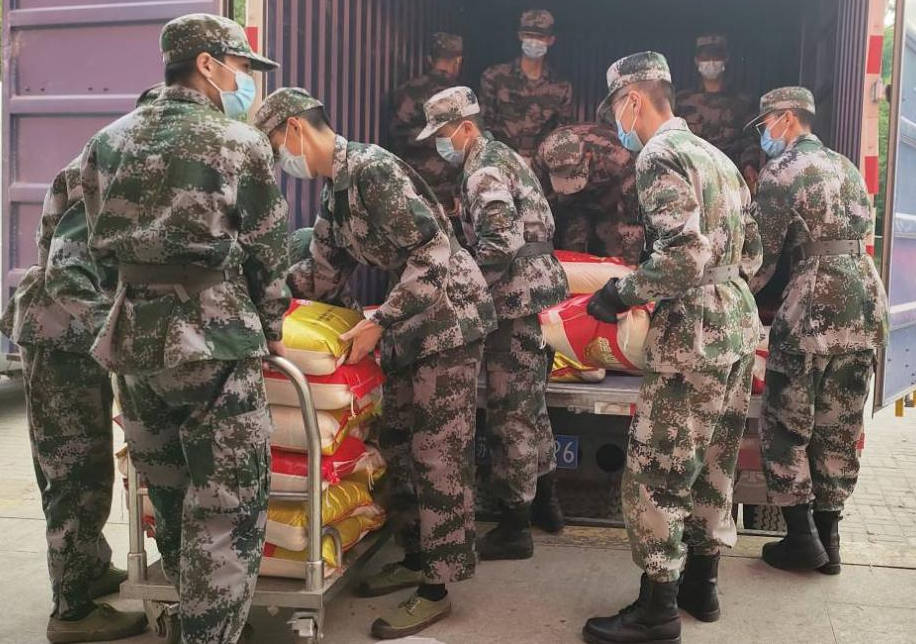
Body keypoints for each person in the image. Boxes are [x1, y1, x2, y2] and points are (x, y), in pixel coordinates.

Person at [74, 13, 289, 644]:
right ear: (207, 63)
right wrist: (271, 326)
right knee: (228, 508)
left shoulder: (106, 142)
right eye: (242, 67)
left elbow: (94, 246)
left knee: (169, 496)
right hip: (214, 338)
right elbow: (267, 250)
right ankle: (210, 630)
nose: (245, 80)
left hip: (135, 341)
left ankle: (191, 621)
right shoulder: (238, 141)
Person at [253, 87, 497, 639]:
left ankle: (437, 587)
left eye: (274, 144)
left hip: (450, 319)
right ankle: (415, 556)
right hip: (409, 324)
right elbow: (320, 273)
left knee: (437, 454)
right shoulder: (335, 193)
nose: (278, 157)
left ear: (295, 128)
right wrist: (263, 298)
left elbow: (433, 254)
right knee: (399, 444)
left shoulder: (373, 172)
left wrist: (378, 321)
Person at [582, 52, 762, 644]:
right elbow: (754, 252)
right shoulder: (717, 157)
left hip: (692, 334)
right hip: (735, 325)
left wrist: (622, 292)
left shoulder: (660, 155)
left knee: (659, 469)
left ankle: (656, 610)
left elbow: (682, 256)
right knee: (714, 460)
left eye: (615, 108)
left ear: (633, 99)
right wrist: (723, 287)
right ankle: (701, 587)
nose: (616, 122)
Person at [0, 83, 164, 644]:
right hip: (60, 334)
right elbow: (67, 272)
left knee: (87, 467)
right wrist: (118, 338)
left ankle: (88, 569)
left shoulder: (114, 160)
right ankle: (72, 612)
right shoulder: (112, 166)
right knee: (75, 472)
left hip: (71, 334)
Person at [418, 86, 569, 559]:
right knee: (531, 403)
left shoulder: (483, 169)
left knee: (511, 412)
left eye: (443, 134)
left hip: (513, 297)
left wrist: (461, 291)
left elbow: (500, 242)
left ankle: (514, 525)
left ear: (465, 127)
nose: (440, 144)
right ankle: (546, 504)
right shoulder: (502, 155)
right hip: (534, 292)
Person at [744, 87, 889, 576]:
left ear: (786, 119)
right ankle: (830, 540)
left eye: (766, 123)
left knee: (786, 422)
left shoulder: (782, 170)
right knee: (839, 426)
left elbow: (759, 258)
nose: (764, 133)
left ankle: (801, 539)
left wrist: (729, 295)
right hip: (865, 304)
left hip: (814, 310)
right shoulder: (847, 167)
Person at [535, 123, 645, 265]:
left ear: (587, 157)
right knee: (572, 241)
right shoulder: (544, 156)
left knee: (614, 247)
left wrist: (631, 261)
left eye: (573, 176)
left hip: (611, 195)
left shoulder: (618, 157)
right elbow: (540, 207)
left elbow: (632, 216)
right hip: (572, 203)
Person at [384, 32, 465, 216]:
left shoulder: (406, 91)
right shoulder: (460, 97)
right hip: (446, 192)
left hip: (411, 185)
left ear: (429, 59)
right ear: (458, 61)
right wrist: (459, 191)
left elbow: (396, 136)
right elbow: (466, 147)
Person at [480, 9, 574, 158]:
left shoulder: (561, 87)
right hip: (500, 161)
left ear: (551, 40)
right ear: (520, 36)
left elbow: (562, 136)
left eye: (540, 37)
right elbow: (483, 127)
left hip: (541, 165)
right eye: (529, 35)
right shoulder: (494, 77)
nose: (534, 42)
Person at [676, 34, 761, 184]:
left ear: (726, 58)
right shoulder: (681, 101)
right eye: (705, 57)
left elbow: (751, 139)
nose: (711, 62)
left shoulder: (743, 102)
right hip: (691, 178)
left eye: (716, 56)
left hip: (730, 178)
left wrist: (749, 165)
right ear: (696, 60)